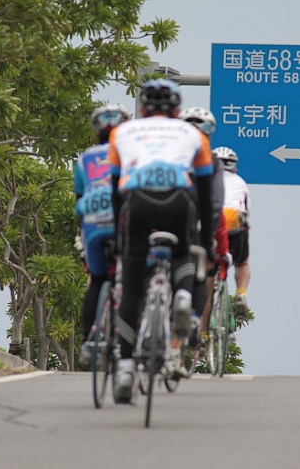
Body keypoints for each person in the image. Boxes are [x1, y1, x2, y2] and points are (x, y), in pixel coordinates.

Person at [108, 79, 216, 401]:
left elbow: (115, 189)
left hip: (137, 200)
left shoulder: (122, 132)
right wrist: (207, 242)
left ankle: (126, 368)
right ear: (177, 110)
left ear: (141, 109)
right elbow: (208, 192)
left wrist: (118, 238)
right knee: (183, 253)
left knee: (131, 287)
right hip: (178, 200)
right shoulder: (193, 134)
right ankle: (182, 296)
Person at [74, 104, 131, 369]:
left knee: (96, 280)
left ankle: (88, 342)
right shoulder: (132, 151)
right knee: (136, 278)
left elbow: (79, 197)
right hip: (124, 218)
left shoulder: (84, 157)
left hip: (93, 221)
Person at [179, 107, 230, 345]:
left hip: (152, 214)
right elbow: (215, 204)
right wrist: (210, 241)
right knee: (201, 274)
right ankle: (193, 323)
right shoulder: (211, 160)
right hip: (195, 222)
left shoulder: (165, 152)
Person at [215, 146, 251, 323]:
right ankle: (241, 293)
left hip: (212, 222)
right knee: (242, 263)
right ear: (234, 167)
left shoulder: (205, 180)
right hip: (234, 221)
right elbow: (247, 212)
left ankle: (204, 329)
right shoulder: (241, 182)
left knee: (205, 266)